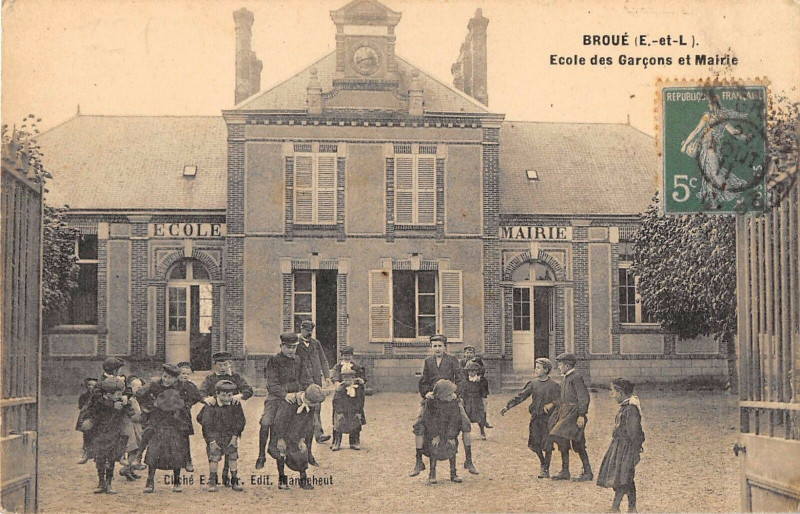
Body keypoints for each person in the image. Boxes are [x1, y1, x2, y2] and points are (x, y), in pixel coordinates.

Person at [411, 335, 477, 477]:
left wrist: (456, 393)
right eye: (434, 346)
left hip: (450, 399)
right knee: (418, 425)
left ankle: (469, 460)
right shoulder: (428, 362)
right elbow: (423, 381)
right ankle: (418, 461)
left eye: (440, 346)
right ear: (431, 347)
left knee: (466, 424)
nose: (437, 348)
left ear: (445, 347)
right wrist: (426, 393)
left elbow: (461, 380)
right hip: (433, 400)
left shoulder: (452, 360)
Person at [680, 93, 753, 207]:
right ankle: (713, 200)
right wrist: (744, 136)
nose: (708, 105)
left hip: (711, 149)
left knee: (715, 173)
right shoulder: (714, 117)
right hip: (706, 149)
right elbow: (732, 131)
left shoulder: (713, 117)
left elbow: (697, 131)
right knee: (708, 174)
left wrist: (745, 137)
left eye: (710, 103)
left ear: (714, 104)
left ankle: (736, 193)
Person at [256, 333, 312, 470]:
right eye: (288, 347)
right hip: (277, 396)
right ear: (281, 346)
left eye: (294, 347)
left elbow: (305, 378)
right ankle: (261, 454)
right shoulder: (274, 360)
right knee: (266, 422)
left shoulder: (298, 360)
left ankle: (308, 452)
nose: (291, 350)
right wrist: (284, 394)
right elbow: (272, 383)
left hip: (296, 394)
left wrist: (310, 390)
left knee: (310, 416)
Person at [137, 363, 204, 476]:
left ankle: (187, 461)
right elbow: (139, 394)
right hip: (158, 417)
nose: (166, 380)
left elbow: (196, 396)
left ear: (175, 378)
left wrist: (185, 405)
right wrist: (149, 405)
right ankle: (139, 455)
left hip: (175, 419)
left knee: (179, 441)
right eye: (164, 377)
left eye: (170, 378)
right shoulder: (154, 384)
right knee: (150, 433)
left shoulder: (182, 386)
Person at [500, 357, 560, 478]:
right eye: (535, 367)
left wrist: (552, 404)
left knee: (547, 445)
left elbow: (560, 399)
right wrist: (508, 406)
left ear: (546, 369)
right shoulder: (533, 384)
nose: (535, 369)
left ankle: (545, 469)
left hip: (548, 420)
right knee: (534, 444)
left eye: (538, 367)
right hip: (535, 418)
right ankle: (542, 462)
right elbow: (521, 396)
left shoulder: (554, 385)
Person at [200, 351, 253, 485]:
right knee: (213, 445)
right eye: (220, 364)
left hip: (231, 410)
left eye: (225, 364)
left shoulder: (235, 377)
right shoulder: (210, 378)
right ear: (215, 365)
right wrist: (207, 399)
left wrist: (238, 396)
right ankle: (213, 476)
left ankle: (226, 474)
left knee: (231, 444)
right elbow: (201, 392)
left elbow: (248, 390)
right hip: (214, 411)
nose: (222, 367)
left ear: (230, 364)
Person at [597, 378, 645, 513]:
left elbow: (634, 432)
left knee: (623, 478)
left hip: (626, 448)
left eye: (614, 392)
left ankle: (616, 507)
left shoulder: (630, 409)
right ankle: (631, 508)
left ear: (621, 392)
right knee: (624, 477)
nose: (612, 395)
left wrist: (635, 449)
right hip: (619, 446)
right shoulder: (626, 407)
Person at [268, 383, 328, 490]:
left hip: (296, 433)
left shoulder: (311, 406)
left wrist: (302, 439)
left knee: (302, 452)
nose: (313, 405)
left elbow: (308, 424)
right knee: (281, 453)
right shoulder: (289, 402)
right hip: (281, 432)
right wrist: (280, 439)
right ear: (306, 398)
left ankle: (303, 479)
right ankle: (282, 479)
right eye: (312, 403)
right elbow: (279, 421)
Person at [549, 353, 593, 482]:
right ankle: (565, 470)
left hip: (574, 414)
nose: (558, 367)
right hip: (564, 412)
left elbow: (584, 397)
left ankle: (588, 472)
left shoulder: (576, 378)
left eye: (560, 364)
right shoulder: (565, 378)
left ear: (567, 365)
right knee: (562, 440)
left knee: (578, 443)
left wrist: (581, 415)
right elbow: (562, 397)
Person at [197, 380, 247, 492]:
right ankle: (212, 481)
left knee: (232, 456)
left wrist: (235, 437)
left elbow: (240, 422)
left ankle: (234, 480)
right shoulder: (211, 405)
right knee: (214, 457)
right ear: (217, 394)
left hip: (230, 435)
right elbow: (205, 423)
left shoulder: (235, 404)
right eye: (223, 395)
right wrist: (211, 441)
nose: (226, 398)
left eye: (229, 395)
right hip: (215, 436)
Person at [84, 377, 132, 494]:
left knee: (111, 460)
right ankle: (101, 483)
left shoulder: (119, 401)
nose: (120, 395)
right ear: (108, 394)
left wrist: (126, 403)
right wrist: (111, 406)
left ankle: (109, 483)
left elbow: (131, 412)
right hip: (100, 435)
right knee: (100, 459)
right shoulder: (98, 403)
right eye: (118, 394)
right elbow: (92, 414)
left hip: (114, 434)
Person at [142, 387, 191, 493]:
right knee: (153, 454)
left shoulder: (179, 408)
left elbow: (184, 423)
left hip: (174, 433)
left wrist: (178, 422)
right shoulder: (156, 406)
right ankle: (150, 481)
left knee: (176, 455)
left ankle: (177, 481)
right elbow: (149, 419)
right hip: (159, 432)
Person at [296, 320, 332, 450]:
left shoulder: (316, 344)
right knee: (303, 407)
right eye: (306, 330)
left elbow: (323, 360)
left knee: (316, 407)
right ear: (301, 329)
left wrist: (327, 376)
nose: (309, 333)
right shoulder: (296, 344)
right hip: (302, 381)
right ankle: (303, 435)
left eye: (311, 331)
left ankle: (318, 434)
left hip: (315, 380)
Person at [420, 379, 464, 485]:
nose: (451, 396)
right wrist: (435, 435)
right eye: (448, 394)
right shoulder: (431, 403)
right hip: (434, 432)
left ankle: (453, 473)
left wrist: (451, 436)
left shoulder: (453, 402)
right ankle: (432, 474)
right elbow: (429, 420)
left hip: (448, 430)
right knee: (434, 450)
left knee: (452, 449)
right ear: (441, 395)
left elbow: (456, 419)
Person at [330, 345, 367, 430]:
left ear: (352, 356)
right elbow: (334, 376)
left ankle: (355, 437)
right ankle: (337, 438)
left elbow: (362, 377)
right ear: (342, 356)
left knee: (355, 414)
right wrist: (336, 383)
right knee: (340, 413)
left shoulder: (356, 367)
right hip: (342, 392)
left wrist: (361, 380)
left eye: (349, 355)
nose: (347, 357)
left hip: (353, 392)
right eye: (345, 355)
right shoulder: (338, 367)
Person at [331, 366, 365, 451]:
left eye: (350, 379)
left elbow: (360, 400)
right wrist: (339, 412)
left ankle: (354, 442)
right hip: (342, 410)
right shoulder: (340, 388)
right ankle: (337, 442)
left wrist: (358, 411)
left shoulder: (358, 388)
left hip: (354, 410)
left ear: (354, 378)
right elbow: (336, 401)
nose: (348, 381)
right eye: (345, 379)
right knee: (338, 425)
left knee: (356, 424)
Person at [118, 375, 144, 481]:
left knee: (136, 448)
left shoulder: (136, 399)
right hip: (131, 427)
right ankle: (126, 468)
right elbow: (133, 415)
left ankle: (129, 470)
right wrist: (141, 416)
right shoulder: (130, 400)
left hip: (136, 427)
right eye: (137, 388)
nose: (139, 390)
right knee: (134, 449)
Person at [460, 345, 492, 429]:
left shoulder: (477, 360)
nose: (469, 354)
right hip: (468, 385)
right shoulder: (462, 362)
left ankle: (484, 421)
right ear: (464, 354)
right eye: (467, 353)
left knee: (482, 405)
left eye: (471, 352)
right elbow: (460, 372)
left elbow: (482, 369)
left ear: (474, 354)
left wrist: (479, 376)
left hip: (478, 385)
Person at [460, 361, 489, 440]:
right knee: (466, 417)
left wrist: (484, 401)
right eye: (469, 371)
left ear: (477, 371)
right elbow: (463, 392)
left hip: (477, 401)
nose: (471, 373)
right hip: (468, 402)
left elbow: (484, 392)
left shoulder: (481, 381)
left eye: (473, 371)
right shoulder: (465, 382)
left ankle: (482, 431)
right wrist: (462, 401)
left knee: (480, 416)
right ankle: (466, 433)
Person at [176, 361, 197, 472]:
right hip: (173, 414)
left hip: (184, 415)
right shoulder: (173, 385)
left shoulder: (191, 386)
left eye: (187, 374)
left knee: (184, 438)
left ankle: (188, 460)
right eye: (183, 373)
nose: (185, 376)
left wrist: (188, 404)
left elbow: (196, 397)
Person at [76, 377, 98, 464]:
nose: (90, 387)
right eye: (89, 385)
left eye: (93, 385)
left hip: (96, 416)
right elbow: (81, 406)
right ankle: (86, 452)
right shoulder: (84, 396)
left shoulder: (98, 395)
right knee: (87, 434)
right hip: (87, 416)